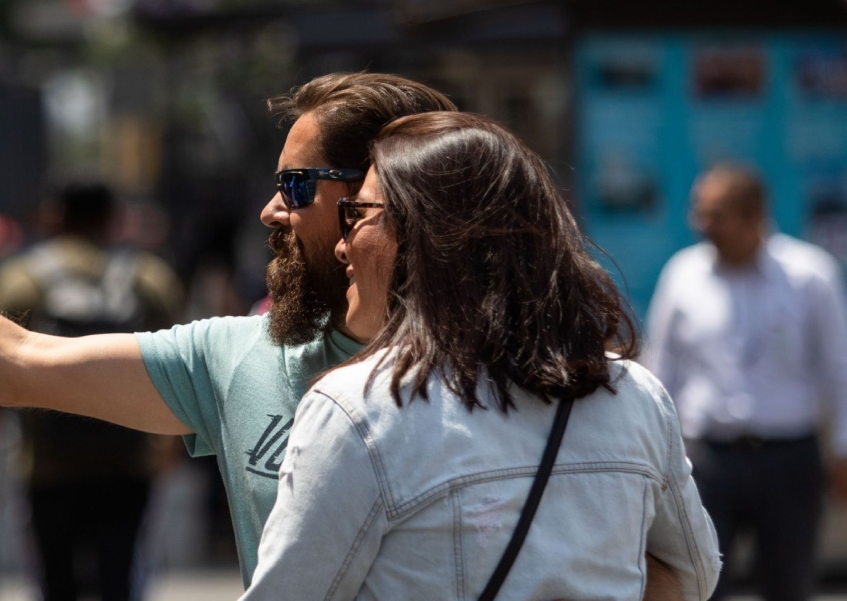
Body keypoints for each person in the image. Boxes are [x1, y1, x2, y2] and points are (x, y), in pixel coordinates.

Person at [0, 72, 680, 594]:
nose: (271, 210)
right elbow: (14, 362)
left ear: (385, 202)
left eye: (299, 187)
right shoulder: (242, 357)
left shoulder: (542, 377)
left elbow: (671, 563)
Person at [245, 111, 720, 599]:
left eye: (359, 214)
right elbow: (693, 577)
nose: (343, 246)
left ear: (425, 236)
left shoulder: (356, 409)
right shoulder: (634, 395)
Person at [0, 182, 184, 601]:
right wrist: (170, 445)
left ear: (56, 217)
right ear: (111, 218)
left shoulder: (20, 280)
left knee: (55, 583)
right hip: (128, 462)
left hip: (47, 467)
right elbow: (182, 365)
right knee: (120, 580)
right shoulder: (149, 278)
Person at [644, 164, 847, 601]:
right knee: (700, 584)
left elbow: (839, 368)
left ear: (754, 215)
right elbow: (660, 377)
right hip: (708, 460)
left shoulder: (810, 276)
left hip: (790, 458)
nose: (701, 223)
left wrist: (844, 451)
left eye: (715, 214)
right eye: (701, 211)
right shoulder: (682, 275)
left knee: (789, 584)